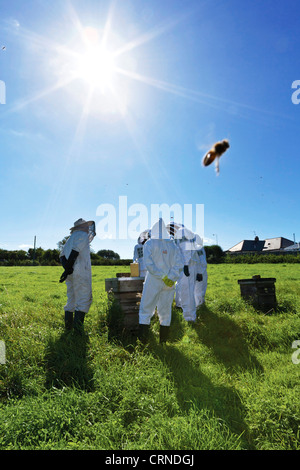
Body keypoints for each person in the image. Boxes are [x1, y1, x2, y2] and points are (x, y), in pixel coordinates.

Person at [138, 218, 184, 343]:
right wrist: (170, 277)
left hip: (154, 280)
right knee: (165, 311)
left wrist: (162, 276)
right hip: (169, 283)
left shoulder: (149, 244)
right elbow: (179, 264)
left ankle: (143, 342)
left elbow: (149, 264)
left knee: (146, 310)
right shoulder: (172, 245)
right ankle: (163, 343)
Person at [59, 218, 96, 332]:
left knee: (72, 300)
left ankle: (68, 329)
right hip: (80, 272)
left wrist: (67, 270)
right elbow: (75, 251)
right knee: (84, 299)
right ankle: (77, 332)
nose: (88, 229)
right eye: (86, 226)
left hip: (71, 273)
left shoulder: (70, 239)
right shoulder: (82, 235)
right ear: (81, 227)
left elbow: (61, 256)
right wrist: (68, 269)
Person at [175, 227, 207, 323]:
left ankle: (190, 318)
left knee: (187, 293)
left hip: (187, 266)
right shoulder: (182, 234)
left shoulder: (181, 233)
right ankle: (190, 314)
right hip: (188, 266)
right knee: (187, 292)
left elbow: (186, 250)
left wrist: (185, 264)